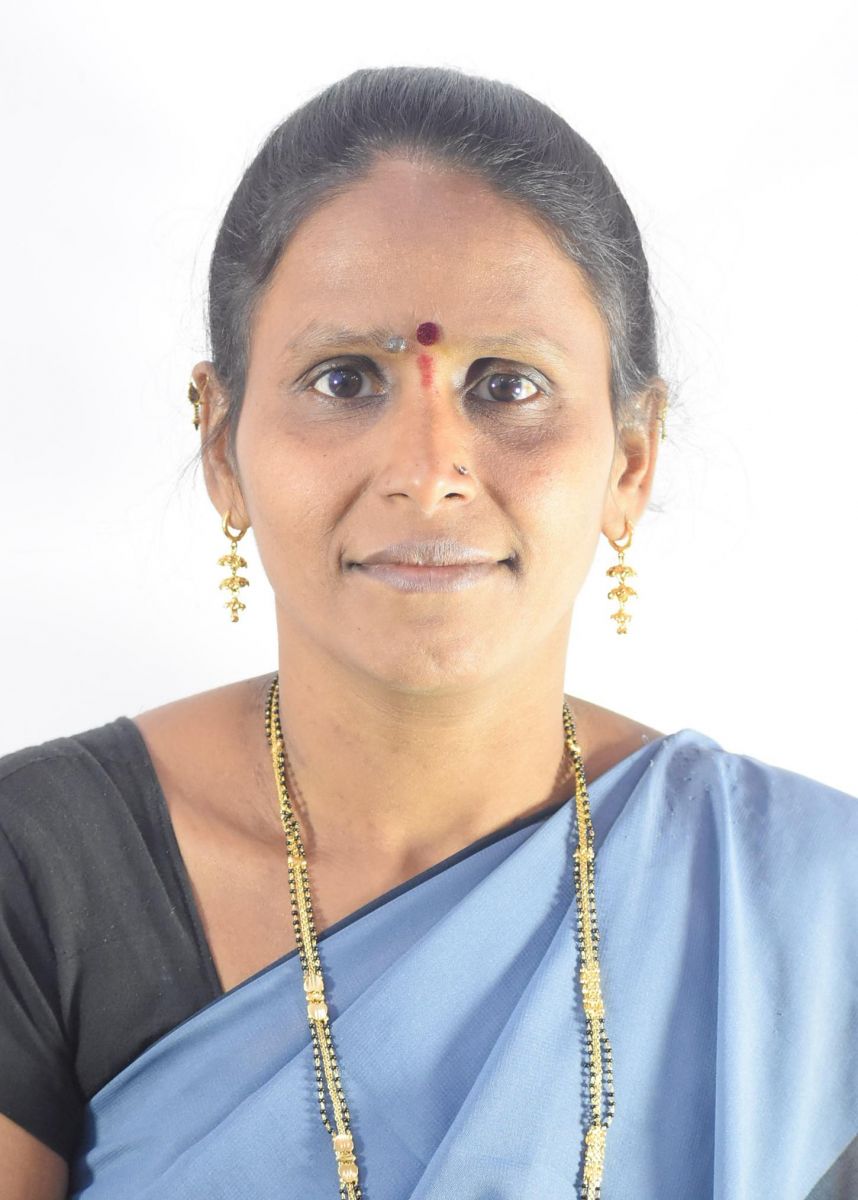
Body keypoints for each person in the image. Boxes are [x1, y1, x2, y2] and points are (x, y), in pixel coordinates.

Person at [1, 65, 855, 1200]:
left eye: (506, 386)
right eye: (344, 379)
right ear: (222, 446)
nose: (427, 471)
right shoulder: (35, 875)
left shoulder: (809, 910)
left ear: (631, 460)